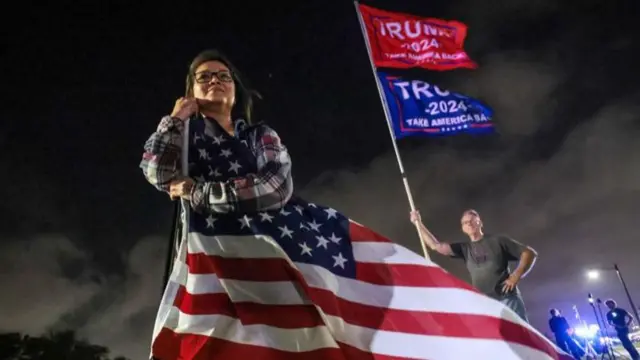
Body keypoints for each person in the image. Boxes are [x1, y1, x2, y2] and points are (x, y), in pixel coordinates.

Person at [410, 209, 537, 322]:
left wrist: (516, 275)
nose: (469, 224)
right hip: (485, 304)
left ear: (480, 222)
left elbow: (529, 253)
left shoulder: (497, 241)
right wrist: (419, 224)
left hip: (507, 299)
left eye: (472, 220)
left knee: (521, 338)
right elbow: (435, 246)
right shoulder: (465, 248)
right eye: (465, 222)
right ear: (463, 228)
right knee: (495, 343)